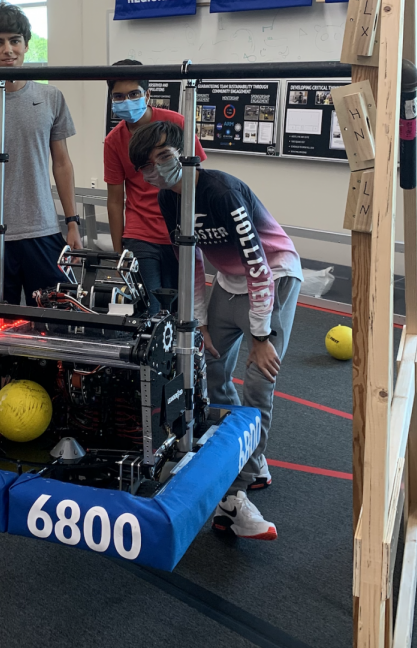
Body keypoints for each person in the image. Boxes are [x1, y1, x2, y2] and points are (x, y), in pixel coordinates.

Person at [128, 120, 302, 541]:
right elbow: (192, 262)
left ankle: (244, 481)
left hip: (272, 276)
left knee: (260, 383)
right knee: (210, 369)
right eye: (147, 166)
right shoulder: (168, 201)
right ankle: (244, 456)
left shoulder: (220, 191)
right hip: (228, 281)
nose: (157, 169)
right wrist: (200, 320)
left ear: (186, 153)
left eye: (164, 157)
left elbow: (258, 262)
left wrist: (261, 338)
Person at [0, 2, 82, 305]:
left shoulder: (50, 97)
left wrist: (73, 224)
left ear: (25, 44)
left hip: (44, 231)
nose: (8, 49)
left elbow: (62, 163)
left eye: (15, 41)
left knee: (55, 324)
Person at [103, 60, 207, 313]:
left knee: (181, 309)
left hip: (179, 231)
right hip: (140, 235)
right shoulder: (113, 141)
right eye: (118, 96)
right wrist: (119, 255)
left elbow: (199, 179)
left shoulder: (177, 124)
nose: (126, 100)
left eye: (134, 94)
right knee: (147, 310)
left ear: (147, 94)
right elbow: (115, 199)